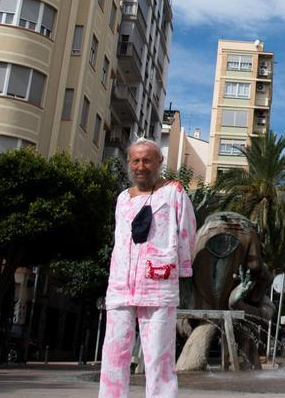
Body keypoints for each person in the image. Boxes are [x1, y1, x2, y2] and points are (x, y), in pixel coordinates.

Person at [98, 138, 196, 398]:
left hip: (158, 285)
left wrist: (183, 269)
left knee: (158, 357)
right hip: (120, 286)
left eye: (147, 160)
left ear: (159, 162)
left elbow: (187, 232)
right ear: (130, 163)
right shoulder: (122, 198)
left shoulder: (174, 193)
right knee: (114, 353)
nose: (141, 166)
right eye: (136, 160)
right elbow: (119, 240)